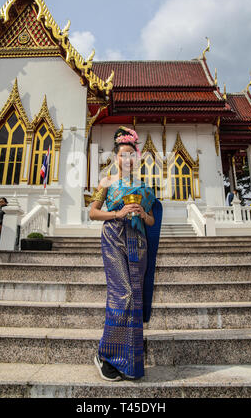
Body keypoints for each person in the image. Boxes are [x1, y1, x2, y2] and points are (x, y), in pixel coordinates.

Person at [89, 127, 162, 381]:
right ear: (116, 157)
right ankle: (105, 354)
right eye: (123, 154)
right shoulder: (106, 183)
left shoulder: (145, 189)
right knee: (123, 294)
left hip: (138, 241)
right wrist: (118, 213)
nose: (128, 159)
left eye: (132, 154)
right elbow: (93, 213)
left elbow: (152, 221)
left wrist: (143, 214)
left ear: (137, 158)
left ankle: (129, 361)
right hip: (113, 238)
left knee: (136, 298)